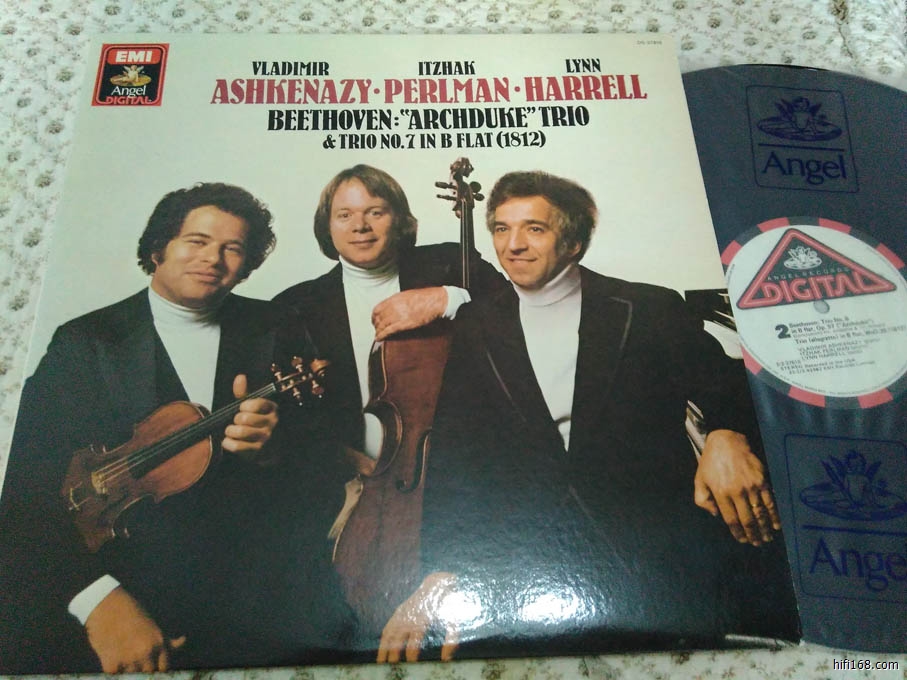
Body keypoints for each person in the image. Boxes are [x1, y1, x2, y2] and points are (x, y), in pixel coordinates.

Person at [378, 171, 799, 662]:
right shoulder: (476, 323)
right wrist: (441, 569)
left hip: (654, 559)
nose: (513, 245)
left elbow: (731, 382)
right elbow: (456, 454)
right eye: (501, 228)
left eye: (535, 228)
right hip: (532, 562)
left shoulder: (648, 307)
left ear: (574, 241)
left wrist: (726, 434)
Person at [0, 183, 352, 673]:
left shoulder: (278, 327)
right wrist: (97, 600)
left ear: (247, 264)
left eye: (232, 248)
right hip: (125, 583)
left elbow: (326, 460)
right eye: (197, 241)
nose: (213, 258)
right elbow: (24, 488)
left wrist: (274, 451)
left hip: (255, 596)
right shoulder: (87, 342)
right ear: (157, 249)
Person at [273, 164, 506, 641]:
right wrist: (337, 460)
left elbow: (521, 310)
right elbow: (289, 421)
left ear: (400, 220)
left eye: (375, 212)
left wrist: (448, 297)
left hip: (458, 479)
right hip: (346, 488)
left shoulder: (448, 264)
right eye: (345, 215)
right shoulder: (293, 308)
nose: (360, 226)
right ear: (326, 226)